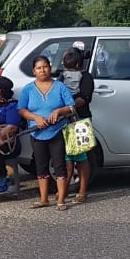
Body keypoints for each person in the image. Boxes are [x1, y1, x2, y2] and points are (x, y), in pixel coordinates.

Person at [19, 55, 76, 211]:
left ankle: (61, 200)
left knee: (59, 166)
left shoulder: (59, 87)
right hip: (37, 133)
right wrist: (35, 117)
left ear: (50, 68)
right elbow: (22, 109)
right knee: (41, 166)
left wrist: (59, 110)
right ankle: (43, 199)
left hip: (57, 131)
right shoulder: (28, 89)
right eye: (39, 68)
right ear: (34, 71)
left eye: (45, 67)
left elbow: (71, 106)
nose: (42, 70)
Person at [58, 48, 95, 203]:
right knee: (67, 157)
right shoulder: (64, 77)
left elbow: (85, 98)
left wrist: (66, 107)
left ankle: (82, 191)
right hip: (65, 120)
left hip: (79, 120)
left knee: (80, 156)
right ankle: (65, 190)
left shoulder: (85, 77)